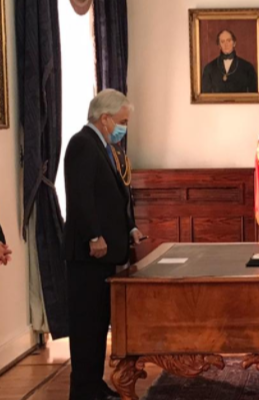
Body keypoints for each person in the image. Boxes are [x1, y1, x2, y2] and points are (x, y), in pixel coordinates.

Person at [63, 89, 144, 400]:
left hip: (103, 254)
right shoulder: (82, 144)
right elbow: (81, 196)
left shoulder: (107, 148)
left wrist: (130, 228)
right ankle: (83, 389)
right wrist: (94, 235)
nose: (124, 127)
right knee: (86, 326)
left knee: (98, 325)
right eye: (122, 121)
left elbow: (117, 197)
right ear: (106, 118)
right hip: (87, 255)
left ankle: (93, 386)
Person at [201, 29, 258, 93]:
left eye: (229, 41)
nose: (226, 44)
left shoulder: (247, 67)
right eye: (222, 42)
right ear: (219, 46)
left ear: (234, 43)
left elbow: (254, 95)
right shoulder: (209, 68)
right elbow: (205, 97)